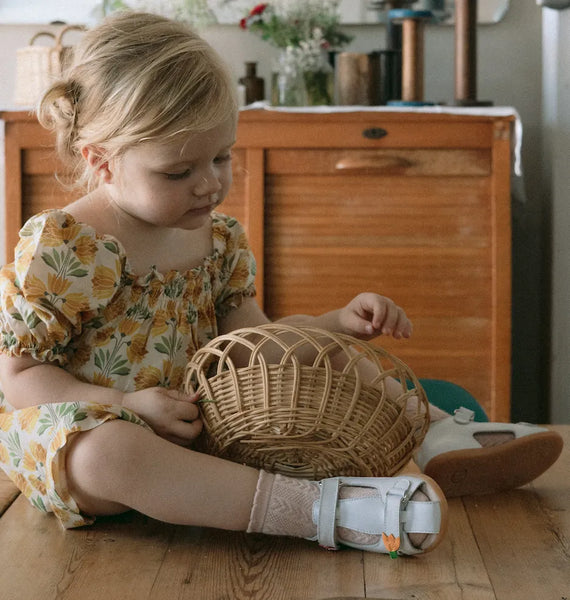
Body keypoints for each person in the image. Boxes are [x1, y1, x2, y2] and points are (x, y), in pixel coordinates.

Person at [0, 12, 562, 557]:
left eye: (222, 157)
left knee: (303, 348)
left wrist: (333, 327)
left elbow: (255, 341)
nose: (211, 185)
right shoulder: (65, 246)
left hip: (199, 422)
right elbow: (20, 378)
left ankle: (434, 434)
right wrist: (125, 404)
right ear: (101, 161)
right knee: (108, 455)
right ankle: (328, 512)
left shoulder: (215, 239)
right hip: (90, 435)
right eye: (179, 172)